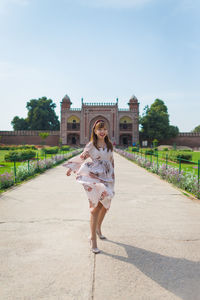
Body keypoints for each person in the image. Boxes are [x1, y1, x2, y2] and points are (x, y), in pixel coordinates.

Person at [62, 119, 115, 254]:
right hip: (94, 177)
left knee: (105, 204)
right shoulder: (91, 145)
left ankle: (98, 228)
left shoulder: (109, 145)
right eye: (99, 129)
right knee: (95, 207)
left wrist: (113, 178)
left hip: (108, 178)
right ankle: (92, 237)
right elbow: (82, 157)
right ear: (95, 131)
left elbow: (111, 161)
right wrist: (72, 168)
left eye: (104, 129)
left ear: (107, 131)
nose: (102, 131)